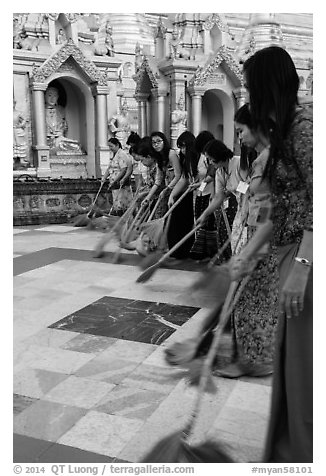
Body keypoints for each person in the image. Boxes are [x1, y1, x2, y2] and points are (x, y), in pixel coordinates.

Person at [230, 46, 313, 462]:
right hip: (286, 250)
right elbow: (280, 209)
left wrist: (302, 266)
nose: (247, 96)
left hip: (308, 259)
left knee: (304, 370)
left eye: (250, 86)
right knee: (290, 366)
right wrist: (248, 254)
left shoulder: (305, 128)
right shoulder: (282, 136)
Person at [216, 104, 279, 378]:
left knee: (250, 301)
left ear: (257, 126)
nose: (239, 137)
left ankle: (255, 360)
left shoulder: (268, 158)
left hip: (265, 239)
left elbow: (272, 210)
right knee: (254, 300)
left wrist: (250, 250)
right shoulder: (264, 156)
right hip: (259, 235)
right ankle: (257, 358)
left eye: (241, 130)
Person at [196, 139, 239, 263]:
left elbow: (247, 187)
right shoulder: (219, 171)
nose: (209, 162)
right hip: (238, 207)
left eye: (210, 158)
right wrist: (205, 214)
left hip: (247, 206)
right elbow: (219, 196)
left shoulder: (238, 163)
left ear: (218, 155)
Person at [165, 131, 199, 259]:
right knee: (176, 217)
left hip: (199, 194)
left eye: (185, 147)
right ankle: (177, 250)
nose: (183, 150)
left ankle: (189, 249)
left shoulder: (199, 159)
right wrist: (172, 195)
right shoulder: (185, 160)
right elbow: (184, 178)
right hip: (190, 192)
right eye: (180, 147)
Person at [188, 131, 217, 261]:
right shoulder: (202, 157)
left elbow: (211, 176)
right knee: (200, 220)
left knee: (210, 223)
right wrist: (197, 184)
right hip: (201, 193)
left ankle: (211, 253)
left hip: (211, 193)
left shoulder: (213, 157)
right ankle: (201, 252)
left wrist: (200, 184)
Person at [148, 131, 182, 218]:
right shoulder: (159, 157)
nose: (156, 144)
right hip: (168, 189)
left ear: (164, 141)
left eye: (159, 141)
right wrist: (148, 197)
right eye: (153, 142)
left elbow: (178, 175)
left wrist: (167, 189)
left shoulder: (171, 154)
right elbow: (158, 180)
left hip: (178, 189)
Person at [44, 86, 83, 154]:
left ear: (58, 97)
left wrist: (60, 133)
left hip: (59, 140)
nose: (52, 98)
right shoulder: (41, 111)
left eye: (55, 96)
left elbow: (64, 128)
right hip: (46, 141)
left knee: (76, 146)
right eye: (49, 95)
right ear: (44, 96)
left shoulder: (61, 110)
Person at [102, 137, 133, 215]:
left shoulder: (122, 154)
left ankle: (122, 216)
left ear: (117, 145)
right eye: (109, 146)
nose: (110, 148)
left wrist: (116, 180)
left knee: (121, 202)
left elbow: (123, 169)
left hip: (120, 182)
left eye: (111, 146)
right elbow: (110, 168)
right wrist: (104, 177)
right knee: (116, 201)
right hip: (114, 181)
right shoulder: (115, 155)